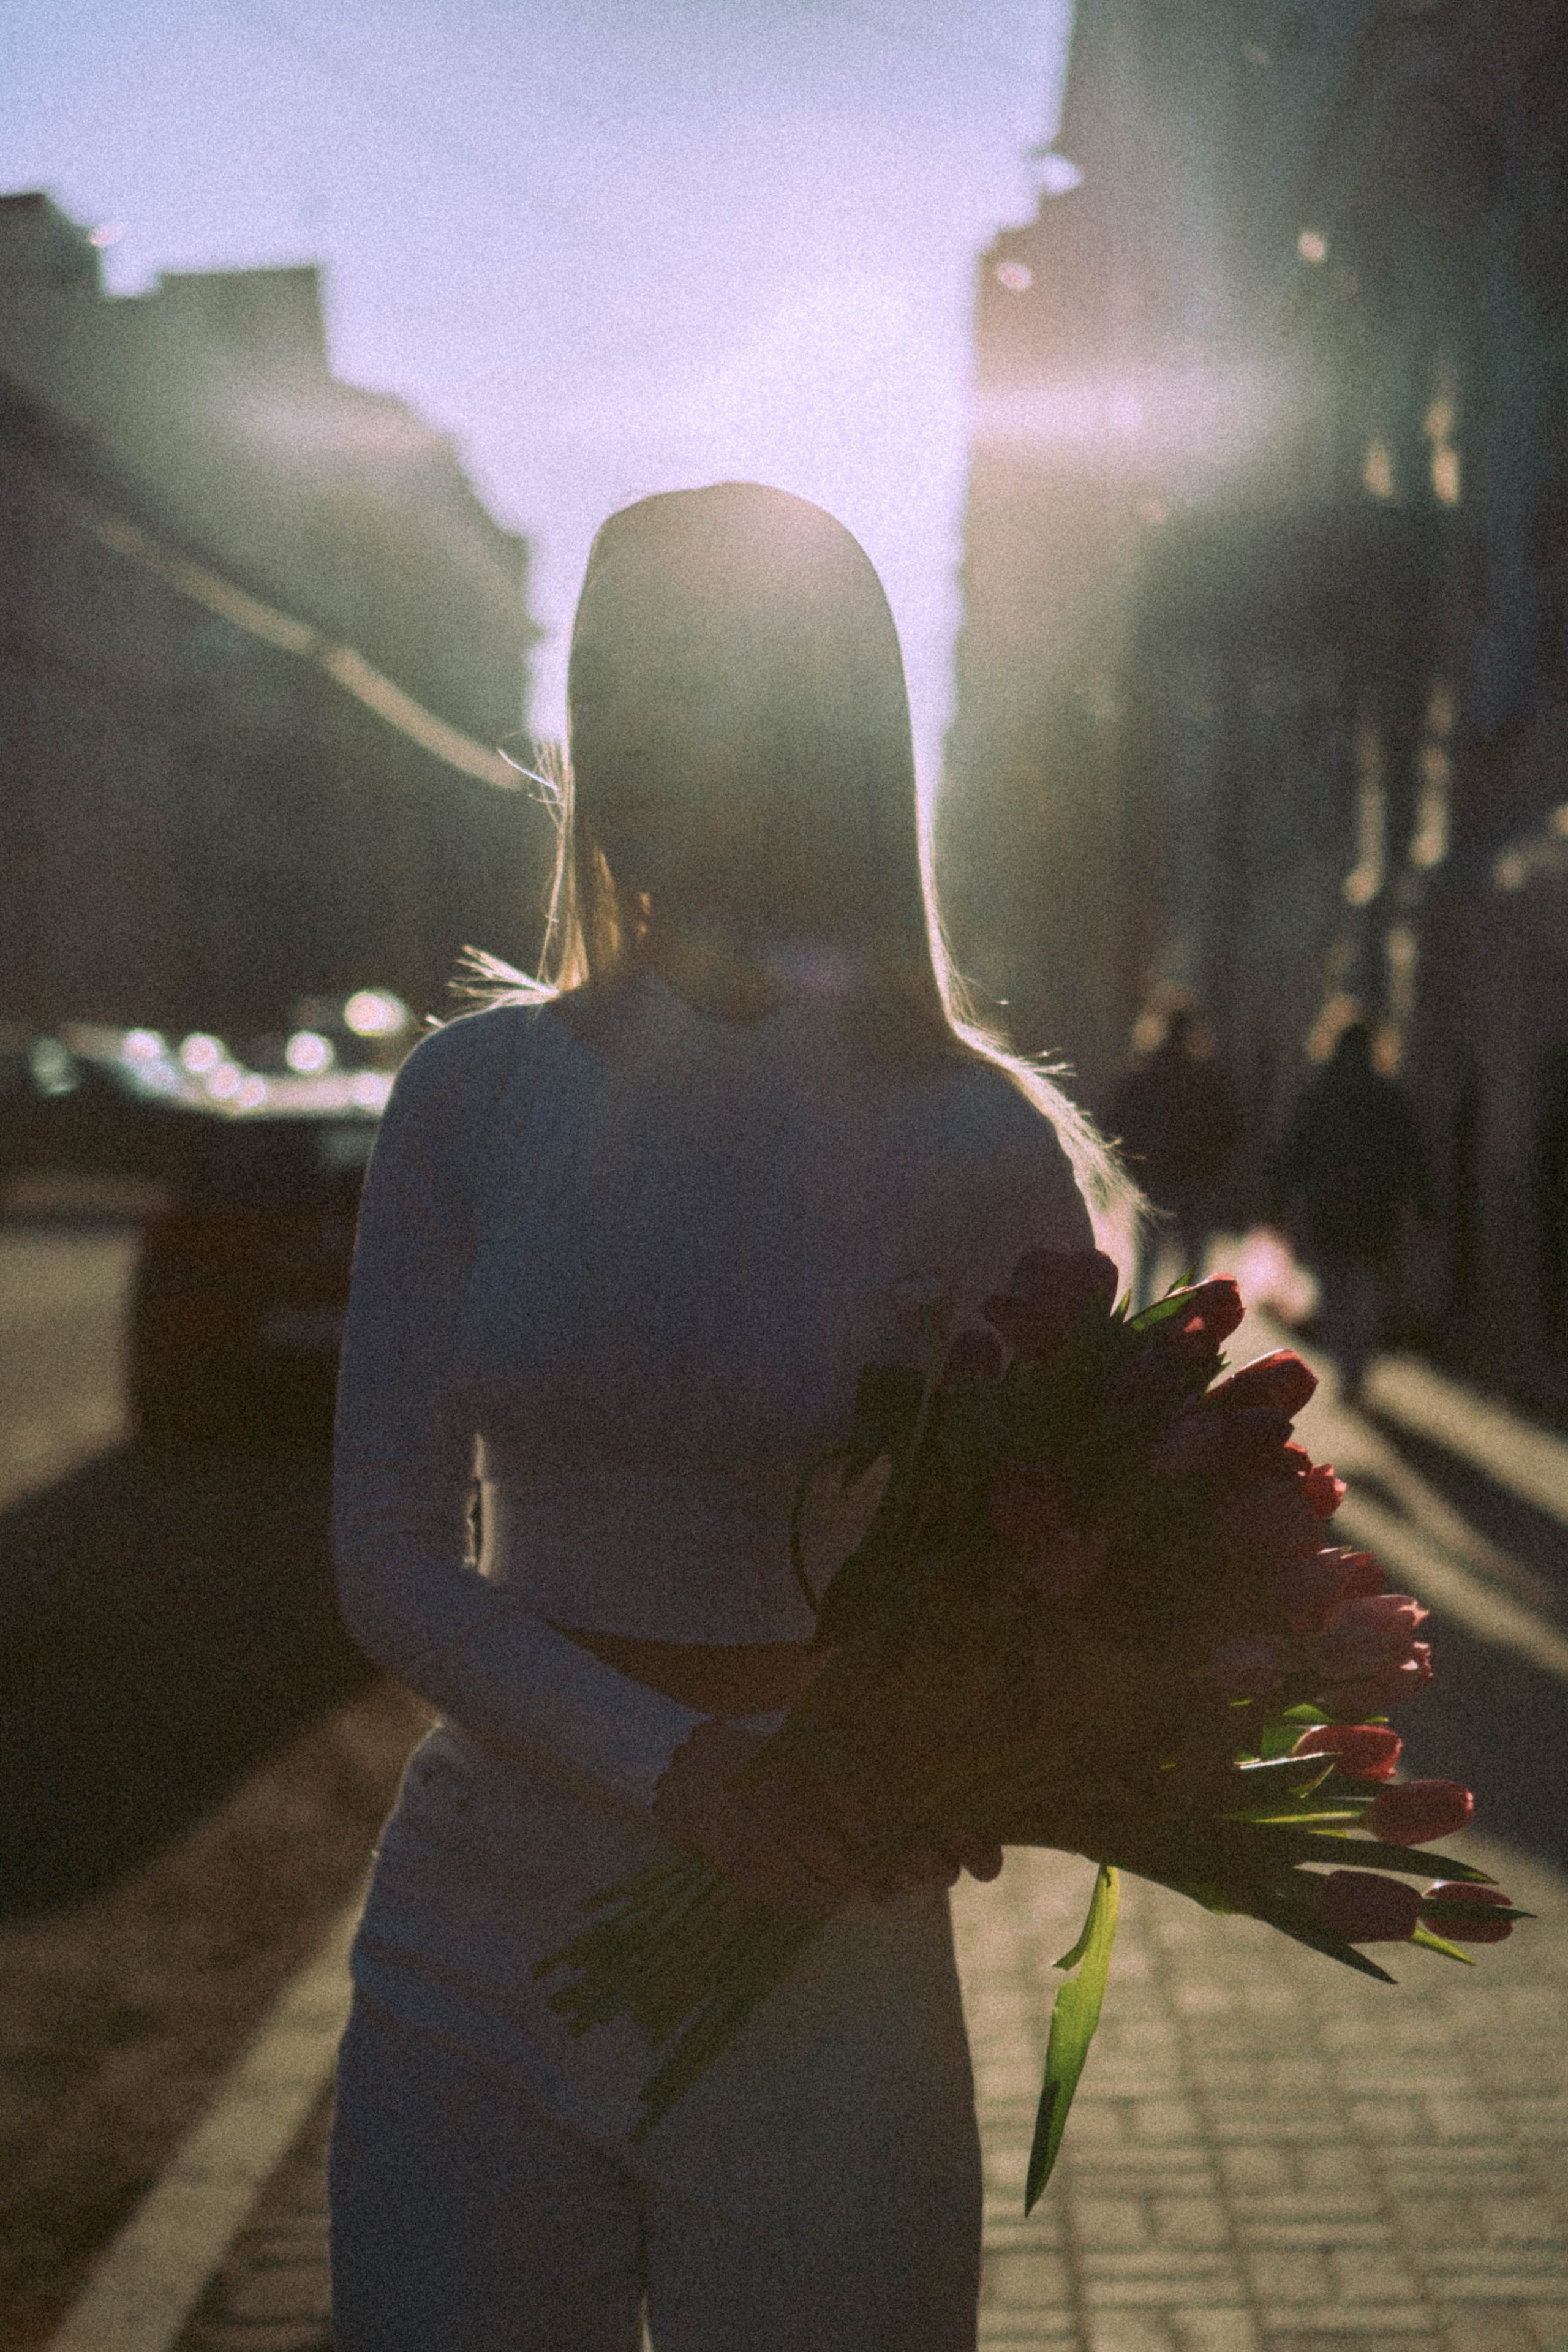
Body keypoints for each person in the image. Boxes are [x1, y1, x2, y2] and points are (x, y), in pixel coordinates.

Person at [328, 483, 1127, 2351]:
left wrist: (961, 1746)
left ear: (829, 724)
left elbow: (1053, 1570)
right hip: (475, 1943)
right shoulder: (473, 1093)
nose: (643, 738)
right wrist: (673, 1765)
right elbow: (384, 1552)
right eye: (615, 683)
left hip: (820, 1948)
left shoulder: (975, 1139)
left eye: (706, 681)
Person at [1272, 1020, 1433, 1404]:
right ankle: (1356, 1366)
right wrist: (1423, 1204)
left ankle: (1348, 1365)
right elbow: (1412, 1154)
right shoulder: (1387, 1094)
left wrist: (1276, 1199)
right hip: (1375, 1211)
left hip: (1328, 1209)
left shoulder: (1321, 1091)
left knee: (1335, 1289)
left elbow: (1294, 1148)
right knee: (1364, 1287)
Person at [1110, 1002, 1241, 1305]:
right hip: (1195, 1180)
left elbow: (1118, 1123)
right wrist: (1214, 1168)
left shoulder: (1145, 1073)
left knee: (1147, 1263)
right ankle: (1188, 1328)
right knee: (1193, 1268)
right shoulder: (1207, 1078)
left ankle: (1141, 1329)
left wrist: (1131, 1167)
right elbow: (1230, 1126)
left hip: (1153, 1180)